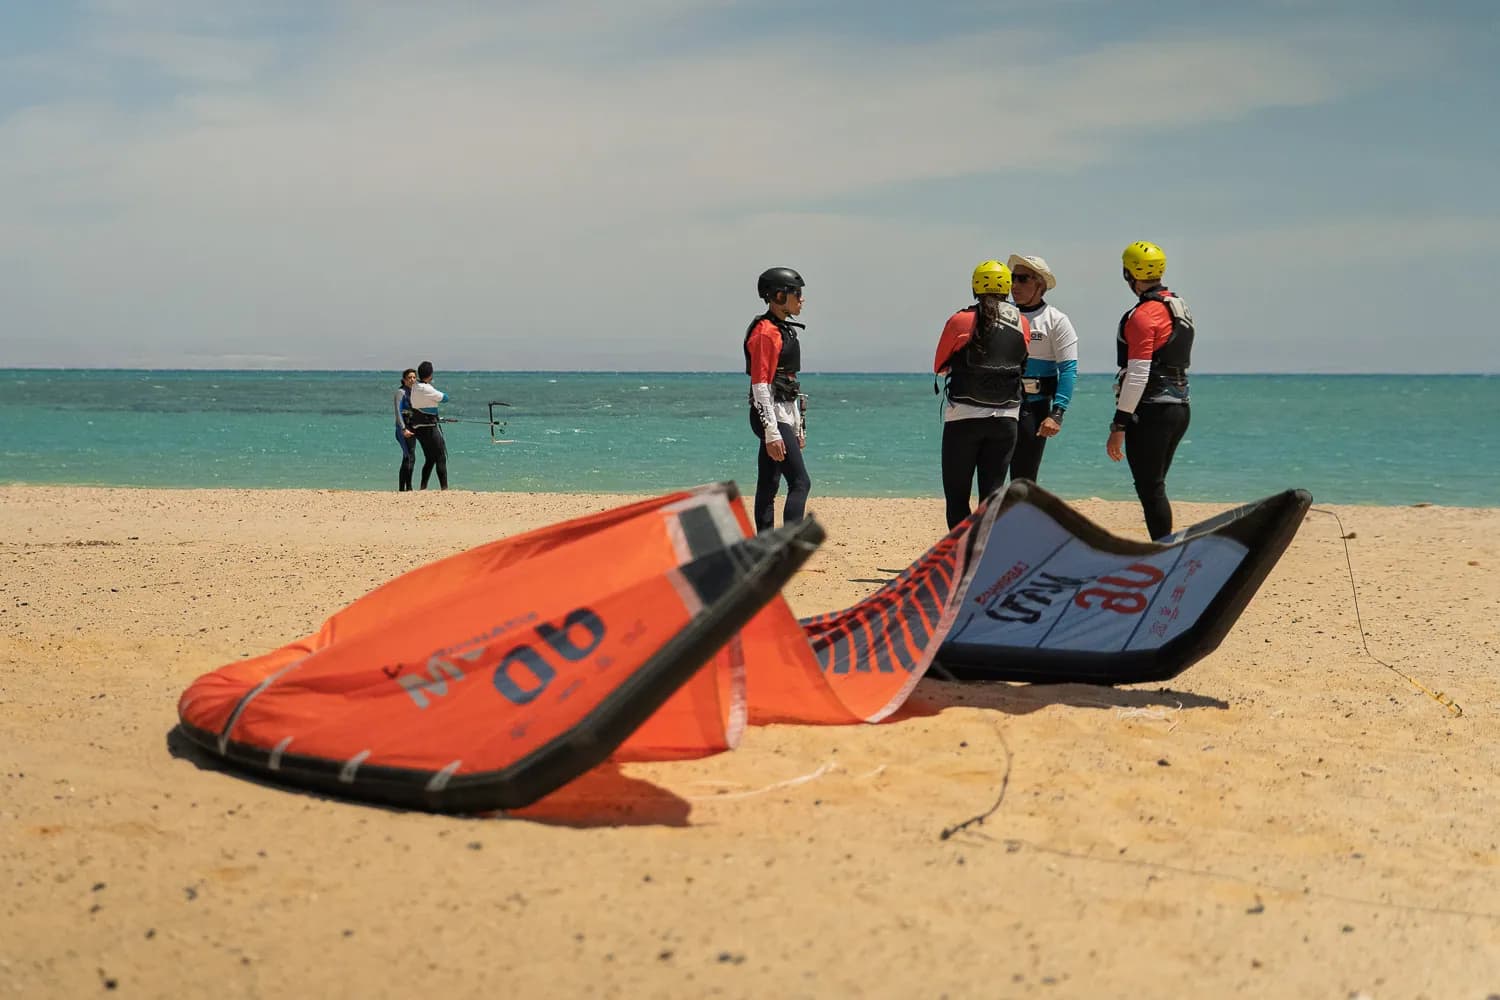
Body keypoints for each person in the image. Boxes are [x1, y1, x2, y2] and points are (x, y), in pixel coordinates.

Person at [933, 260, 1032, 530]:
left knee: (957, 497)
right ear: (1007, 288)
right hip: (1006, 419)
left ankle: (961, 559)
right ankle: (986, 559)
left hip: (964, 418)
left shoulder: (960, 320)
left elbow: (939, 366)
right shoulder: (1022, 322)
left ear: (976, 286)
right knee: (992, 496)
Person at [1108, 240, 1194, 540]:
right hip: (1180, 408)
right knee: (1155, 485)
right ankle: (1163, 546)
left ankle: (1162, 550)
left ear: (1128, 273)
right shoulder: (1179, 306)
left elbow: (1138, 374)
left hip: (1152, 411)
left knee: (1150, 487)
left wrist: (1119, 424)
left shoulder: (1143, 315)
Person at [744, 267, 811, 533]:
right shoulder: (765, 333)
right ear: (779, 296)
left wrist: (796, 427)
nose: (802, 299)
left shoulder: (783, 330)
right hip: (769, 415)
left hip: (782, 413)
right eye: (798, 293)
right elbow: (760, 384)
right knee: (800, 482)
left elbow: (788, 384)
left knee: (769, 484)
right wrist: (772, 432)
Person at [1005, 254, 1077, 484]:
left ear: (1040, 284)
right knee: (991, 476)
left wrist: (1057, 414)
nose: (1014, 285)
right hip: (998, 406)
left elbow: (1068, 370)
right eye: (1012, 278)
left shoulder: (1056, 320)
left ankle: (1022, 520)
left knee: (1023, 479)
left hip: (1033, 409)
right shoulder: (1001, 315)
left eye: (1022, 279)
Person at [408, 360, 450, 490]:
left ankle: (423, 487)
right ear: (430, 374)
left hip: (419, 430)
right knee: (441, 457)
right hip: (429, 429)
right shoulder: (427, 388)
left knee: (430, 458)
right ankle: (444, 488)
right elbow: (445, 398)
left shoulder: (415, 387)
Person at [394, 368, 417, 492]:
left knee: (408, 457)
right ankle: (408, 488)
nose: (412, 380)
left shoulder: (413, 392)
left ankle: (403, 488)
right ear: (404, 380)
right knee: (409, 457)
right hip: (402, 430)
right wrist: (403, 429)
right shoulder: (400, 392)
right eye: (409, 377)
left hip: (412, 428)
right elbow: (398, 412)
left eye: (414, 377)